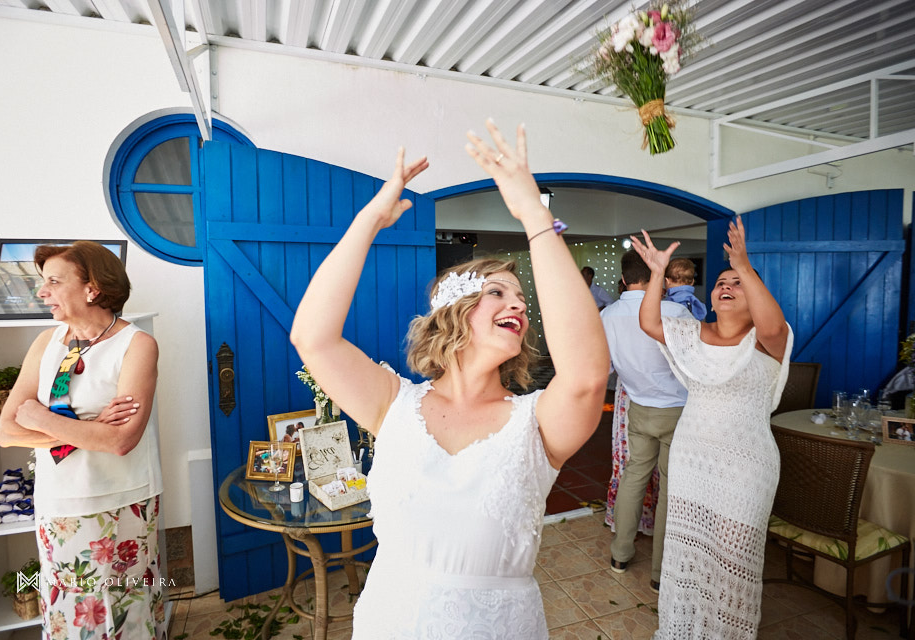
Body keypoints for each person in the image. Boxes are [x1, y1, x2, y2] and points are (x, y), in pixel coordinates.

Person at [290, 121, 609, 639]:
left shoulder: (537, 424)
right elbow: (313, 337)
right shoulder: (393, 405)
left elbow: (588, 376)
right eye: (498, 293)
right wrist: (370, 220)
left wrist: (535, 215)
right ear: (455, 315)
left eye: (521, 298)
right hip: (392, 619)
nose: (519, 304)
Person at [630, 218, 791, 639]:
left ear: (755, 294)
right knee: (689, 548)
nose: (727, 286)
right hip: (692, 458)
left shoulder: (767, 339)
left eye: (738, 283)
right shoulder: (691, 333)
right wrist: (657, 275)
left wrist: (743, 263)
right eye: (721, 281)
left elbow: (772, 325)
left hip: (745, 465)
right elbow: (649, 323)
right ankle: (684, 629)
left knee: (734, 554)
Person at [0, 241, 165, 639]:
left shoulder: (136, 345)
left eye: (54, 282)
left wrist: (41, 417)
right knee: (68, 614)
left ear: (92, 288)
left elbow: (122, 441)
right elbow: (7, 432)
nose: (42, 291)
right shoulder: (45, 343)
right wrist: (89, 426)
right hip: (57, 505)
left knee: (126, 611)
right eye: (43, 282)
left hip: (122, 502)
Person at [603, 250, 692, 594]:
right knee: (671, 487)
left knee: (634, 475)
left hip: (639, 406)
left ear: (624, 279)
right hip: (679, 409)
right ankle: (659, 573)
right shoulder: (675, 311)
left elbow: (608, 367)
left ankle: (620, 555)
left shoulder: (608, 315)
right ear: (660, 277)